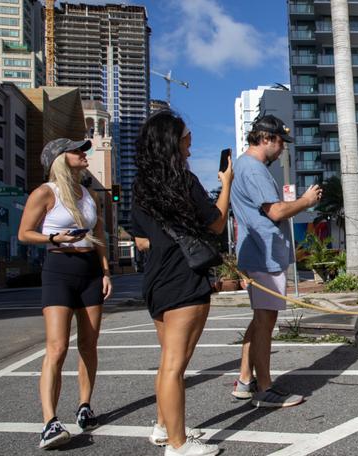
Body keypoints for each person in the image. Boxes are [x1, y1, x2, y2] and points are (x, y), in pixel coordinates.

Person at [131, 110, 232, 456]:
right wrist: (226, 182)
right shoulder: (185, 182)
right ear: (173, 141)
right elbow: (216, 224)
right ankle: (178, 445)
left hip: (156, 280)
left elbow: (141, 237)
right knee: (176, 364)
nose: (191, 141)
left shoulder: (141, 187)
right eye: (187, 135)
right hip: (184, 279)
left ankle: (164, 427)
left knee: (168, 362)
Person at [17, 138, 113, 449]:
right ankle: (49, 422)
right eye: (77, 150)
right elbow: (24, 233)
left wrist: (106, 272)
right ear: (59, 158)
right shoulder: (46, 192)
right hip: (59, 269)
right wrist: (53, 237)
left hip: (89, 271)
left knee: (89, 344)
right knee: (57, 348)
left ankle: (85, 405)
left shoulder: (88, 195)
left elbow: (99, 237)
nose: (84, 154)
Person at [230, 114, 322, 407]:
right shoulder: (254, 170)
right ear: (266, 138)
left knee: (260, 319)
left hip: (257, 252)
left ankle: (246, 380)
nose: (283, 148)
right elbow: (276, 212)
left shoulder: (245, 166)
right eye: (281, 142)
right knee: (265, 321)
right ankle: (265, 388)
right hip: (263, 254)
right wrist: (306, 202)